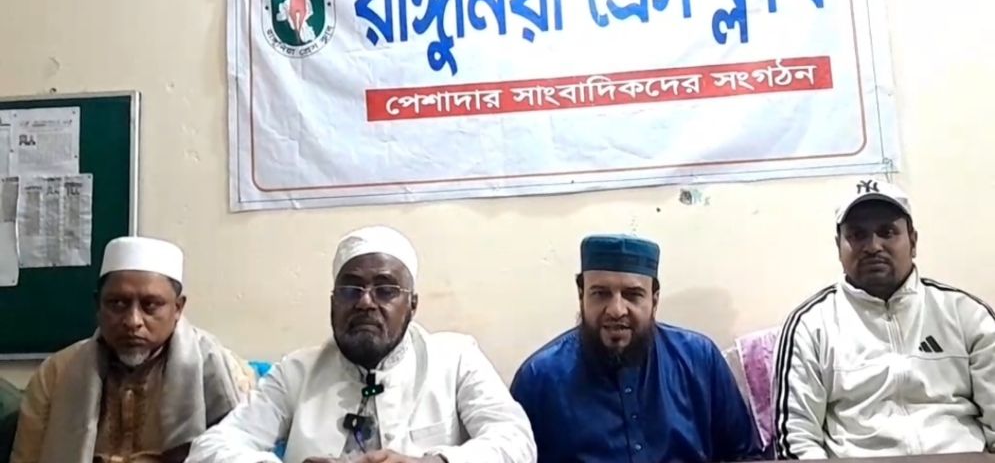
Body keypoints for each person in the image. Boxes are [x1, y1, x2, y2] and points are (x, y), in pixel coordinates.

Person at [187, 225, 536, 463]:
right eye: (351, 289)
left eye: (386, 290)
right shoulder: (297, 371)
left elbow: (516, 441)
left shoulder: (456, 359)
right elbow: (209, 449)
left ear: (412, 304)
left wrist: (434, 462)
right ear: (333, 302)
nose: (366, 302)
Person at [773, 179, 995, 458]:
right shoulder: (809, 326)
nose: (873, 246)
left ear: (913, 241)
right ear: (839, 246)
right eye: (857, 235)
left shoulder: (967, 314)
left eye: (887, 232)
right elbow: (796, 440)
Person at [511, 234, 762, 463]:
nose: (616, 310)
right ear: (581, 295)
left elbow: (744, 456)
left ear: (654, 299)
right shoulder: (539, 378)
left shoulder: (700, 359)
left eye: (632, 295)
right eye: (601, 294)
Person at [10, 236, 256, 463]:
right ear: (98, 305)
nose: (133, 321)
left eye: (150, 305)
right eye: (117, 304)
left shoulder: (224, 372)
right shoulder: (56, 373)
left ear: (178, 308)